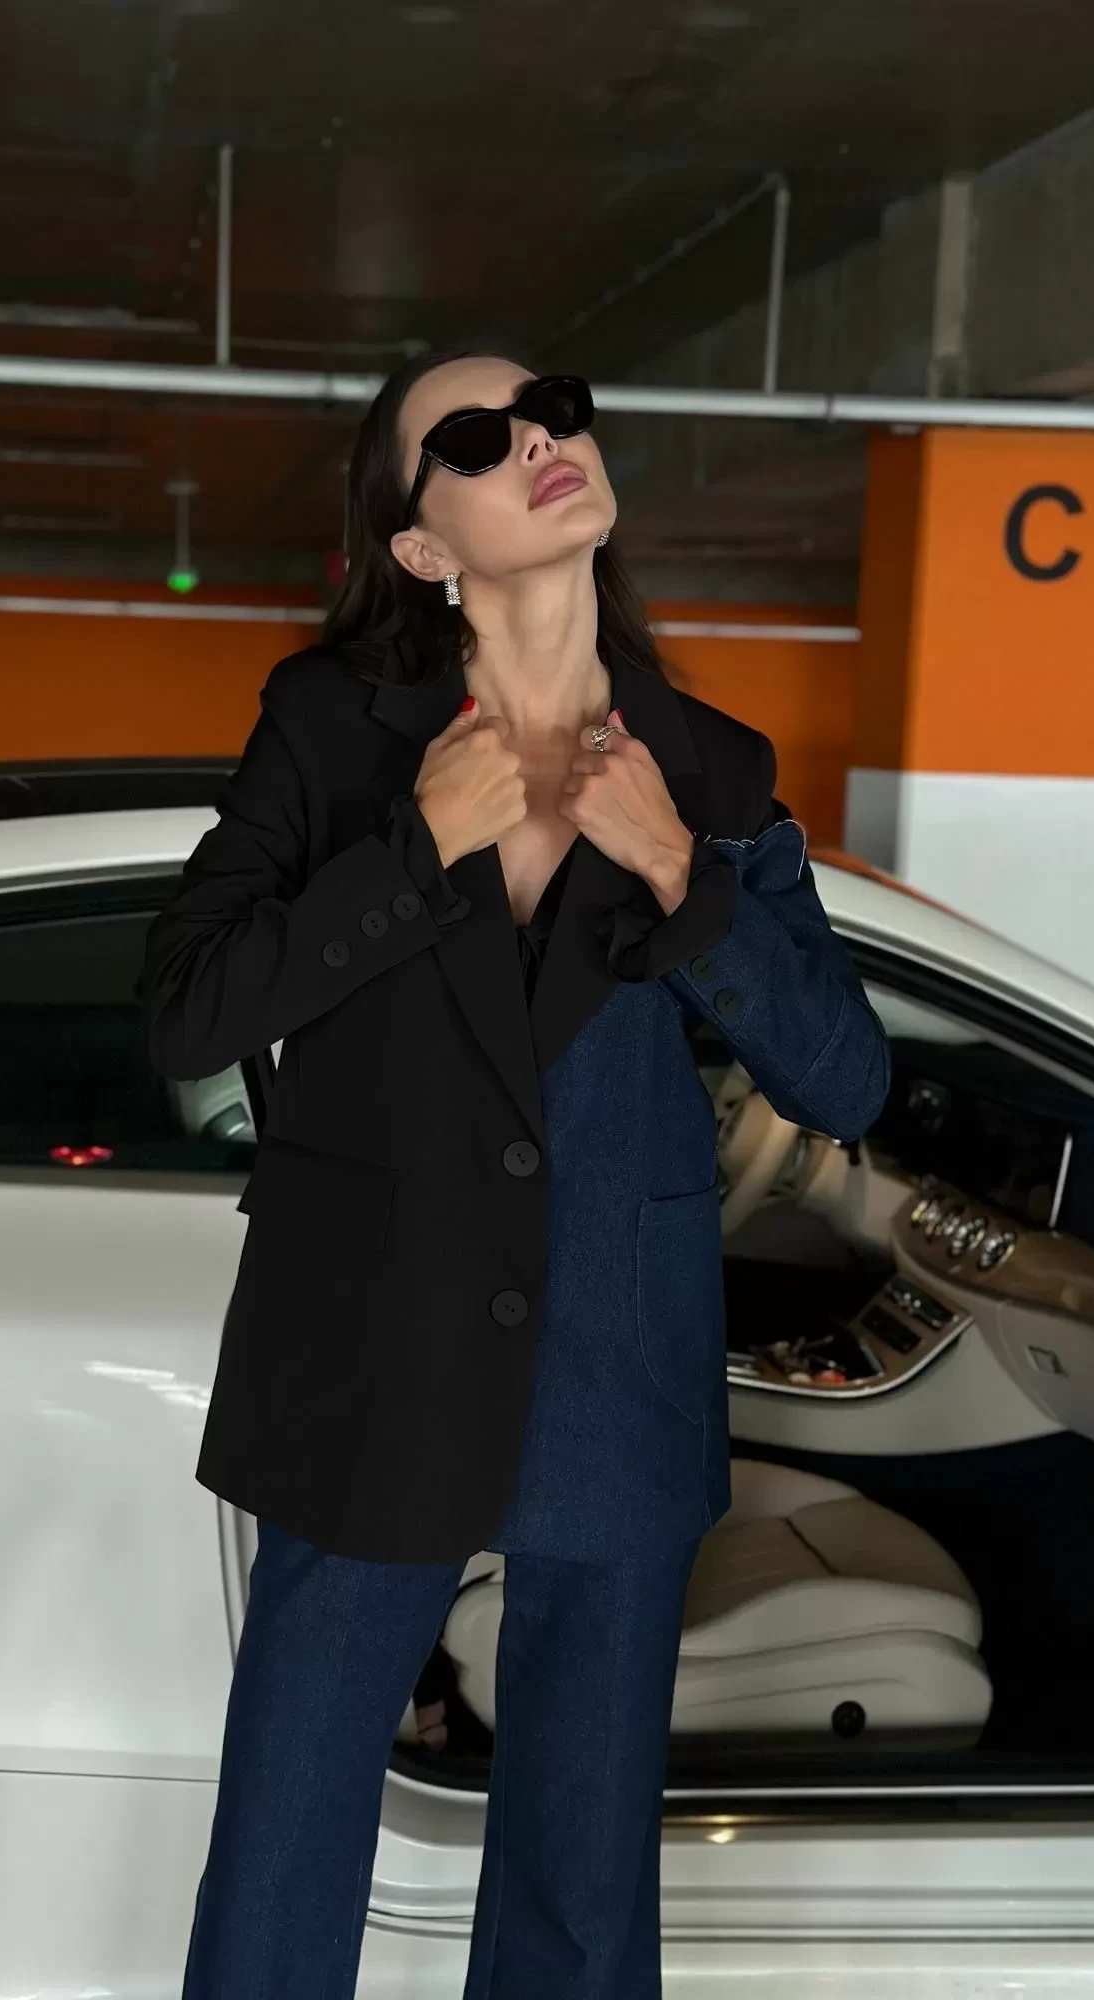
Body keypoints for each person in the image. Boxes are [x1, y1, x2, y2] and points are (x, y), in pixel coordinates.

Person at [142, 351, 891, 1998]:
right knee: (281, 1866)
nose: (539, 440)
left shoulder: (709, 765)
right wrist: (417, 847)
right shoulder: (334, 725)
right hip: (375, 1352)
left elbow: (844, 1077)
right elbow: (190, 1008)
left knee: (579, 1892)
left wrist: (680, 871)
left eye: (553, 407)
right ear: (422, 544)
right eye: (479, 439)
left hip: (618, 1370)